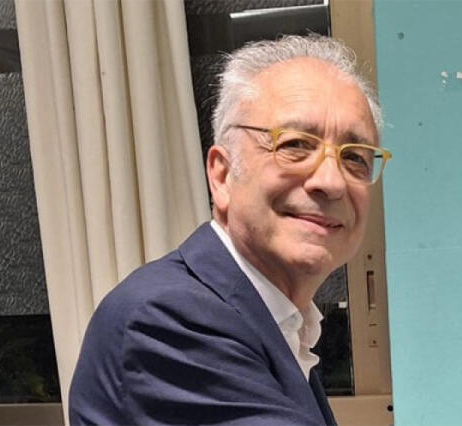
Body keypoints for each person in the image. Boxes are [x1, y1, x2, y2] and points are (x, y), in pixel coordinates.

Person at [69, 34, 389, 425]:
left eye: (354, 157)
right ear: (222, 175)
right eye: (295, 145)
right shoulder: (168, 319)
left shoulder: (278, 321)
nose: (332, 182)